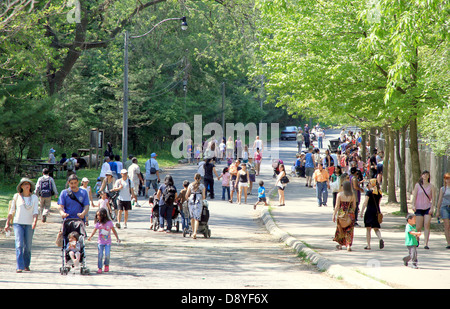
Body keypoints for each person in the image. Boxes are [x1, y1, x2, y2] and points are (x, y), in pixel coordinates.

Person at [4, 178, 39, 273]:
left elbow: (35, 211)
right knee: (19, 244)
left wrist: (35, 221)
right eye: (24, 184)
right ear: (21, 186)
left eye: (28, 184)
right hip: (18, 223)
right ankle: (19, 266)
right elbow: (11, 211)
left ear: (30, 186)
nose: (27, 185)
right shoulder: (16, 196)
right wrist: (7, 223)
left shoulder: (34, 197)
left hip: (29, 224)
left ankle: (26, 265)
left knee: (27, 246)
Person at [88, 208, 120, 274]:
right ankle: (100, 267)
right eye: (97, 215)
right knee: (100, 254)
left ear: (104, 215)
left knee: (107, 254)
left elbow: (114, 231)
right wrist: (90, 237)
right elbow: (94, 231)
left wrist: (117, 238)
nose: (98, 217)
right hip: (100, 242)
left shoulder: (109, 223)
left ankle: (106, 265)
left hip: (108, 242)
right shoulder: (98, 224)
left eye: (99, 215)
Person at [411, 170, 436, 249]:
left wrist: (432, 208)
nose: (425, 176)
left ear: (429, 176)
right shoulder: (417, 185)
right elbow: (414, 196)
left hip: (427, 208)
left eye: (427, 175)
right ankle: (417, 239)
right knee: (418, 226)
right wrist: (413, 205)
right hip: (418, 207)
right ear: (421, 176)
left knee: (427, 224)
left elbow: (433, 199)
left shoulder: (431, 186)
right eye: (424, 174)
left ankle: (426, 243)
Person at [360, 179, 384, 250]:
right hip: (376, 211)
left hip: (369, 211)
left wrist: (362, 211)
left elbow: (365, 203)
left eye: (369, 183)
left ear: (372, 184)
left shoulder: (369, 192)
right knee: (376, 228)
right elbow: (378, 203)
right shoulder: (379, 193)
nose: (368, 185)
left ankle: (368, 245)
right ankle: (380, 238)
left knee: (368, 229)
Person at [332, 181, 356, 251]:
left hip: (341, 213)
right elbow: (354, 206)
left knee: (340, 229)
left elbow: (337, 206)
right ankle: (348, 245)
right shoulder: (353, 195)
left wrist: (334, 215)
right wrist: (352, 213)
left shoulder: (339, 195)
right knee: (349, 230)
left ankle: (340, 244)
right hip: (350, 214)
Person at [185, 173, 206, 239]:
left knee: (192, 217)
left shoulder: (190, 185)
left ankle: (192, 231)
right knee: (197, 218)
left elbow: (186, 195)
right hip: (198, 201)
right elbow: (204, 196)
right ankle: (195, 232)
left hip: (191, 200)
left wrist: (188, 198)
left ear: (194, 178)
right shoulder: (202, 186)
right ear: (200, 178)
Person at [436, 173, 450, 249]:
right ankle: (448, 243)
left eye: (449, 178)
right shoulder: (443, 189)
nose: (448, 180)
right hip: (444, 207)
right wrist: (437, 210)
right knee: (447, 226)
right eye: (446, 179)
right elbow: (440, 199)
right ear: (444, 180)